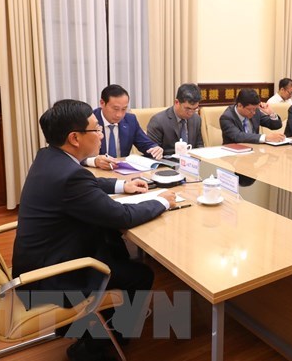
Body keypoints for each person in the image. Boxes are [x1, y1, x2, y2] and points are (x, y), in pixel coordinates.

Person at [12, 99, 177, 361]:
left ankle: (102, 321)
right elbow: (121, 215)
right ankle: (103, 340)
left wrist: (123, 187)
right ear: (75, 138)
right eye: (96, 129)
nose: (101, 134)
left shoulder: (51, 157)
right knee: (141, 274)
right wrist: (160, 201)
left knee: (114, 244)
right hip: (52, 277)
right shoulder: (69, 175)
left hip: (38, 261)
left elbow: (86, 183)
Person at [84, 84, 163, 170]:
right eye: (115, 109)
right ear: (102, 103)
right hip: (96, 172)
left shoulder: (130, 120)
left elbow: (146, 144)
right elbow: (74, 154)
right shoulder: (88, 121)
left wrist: (155, 149)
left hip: (122, 172)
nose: (119, 115)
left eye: (124, 109)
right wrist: (94, 161)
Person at [147, 83, 204, 156]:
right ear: (176, 102)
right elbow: (152, 152)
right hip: (168, 164)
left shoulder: (196, 119)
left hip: (191, 163)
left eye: (195, 109)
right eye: (188, 109)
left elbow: (199, 146)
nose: (191, 113)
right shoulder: (158, 121)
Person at [220, 88, 285, 144]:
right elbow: (238, 136)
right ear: (240, 105)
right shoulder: (226, 118)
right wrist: (266, 137)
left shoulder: (255, 112)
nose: (253, 112)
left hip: (255, 150)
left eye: (255, 109)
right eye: (250, 110)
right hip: (234, 153)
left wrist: (271, 113)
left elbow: (276, 126)